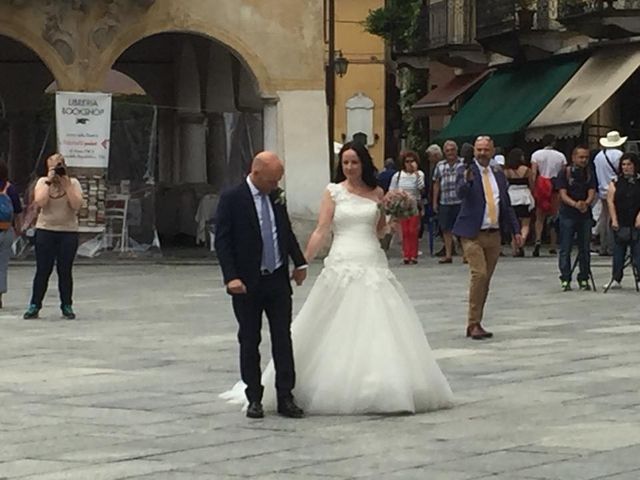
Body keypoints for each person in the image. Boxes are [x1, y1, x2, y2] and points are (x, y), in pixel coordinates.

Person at [221, 142, 454, 414]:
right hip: (337, 259)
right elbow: (321, 230)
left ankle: (297, 392)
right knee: (254, 337)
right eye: (345, 163)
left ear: (364, 163)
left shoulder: (378, 192)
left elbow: (377, 230)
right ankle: (257, 396)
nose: (350, 167)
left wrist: (392, 215)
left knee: (297, 334)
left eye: (354, 162)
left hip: (368, 257)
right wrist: (304, 260)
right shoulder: (332, 192)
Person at [215, 151, 308, 419]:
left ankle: (285, 395)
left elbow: (284, 230)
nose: (276, 185)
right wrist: (230, 277)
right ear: (256, 174)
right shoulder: (233, 198)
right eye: (272, 180)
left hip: (277, 278)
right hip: (247, 281)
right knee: (249, 338)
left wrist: (299, 262)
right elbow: (223, 240)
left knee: (283, 337)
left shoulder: (276, 197)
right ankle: (254, 395)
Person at [452, 136, 521, 340]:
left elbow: (506, 204)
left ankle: (477, 322)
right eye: (479, 149)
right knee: (479, 275)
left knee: (486, 280)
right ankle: (473, 323)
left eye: (486, 150)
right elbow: (460, 193)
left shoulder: (498, 174)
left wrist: (516, 230)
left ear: (492, 151)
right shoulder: (465, 170)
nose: (482, 153)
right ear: (474, 151)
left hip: (494, 233)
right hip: (471, 233)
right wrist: (466, 180)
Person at [23, 154, 83, 320]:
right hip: (46, 230)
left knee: (65, 270)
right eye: (53, 167)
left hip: (68, 231)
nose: (57, 170)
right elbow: (40, 202)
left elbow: (76, 205)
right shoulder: (42, 182)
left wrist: (67, 184)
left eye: (59, 166)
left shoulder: (74, 183)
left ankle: (67, 305)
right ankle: (35, 305)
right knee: (43, 269)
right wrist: (49, 181)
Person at [556, 146, 597, 292]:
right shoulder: (564, 173)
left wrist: (586, 203)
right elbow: (562, 193)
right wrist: (575, 204)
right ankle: (565, 278)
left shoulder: (589, 173)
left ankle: (584, 277)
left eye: (586, 157)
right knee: (566, 248)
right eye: (581, 157)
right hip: (568, 214)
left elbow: (592, 190)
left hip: (585, 214)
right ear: (573, 157)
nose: (584, 160)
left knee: (585, 248)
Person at [605, 152, 640, 290]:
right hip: (620, 220)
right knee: (618, 253)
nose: (626, 167)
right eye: (623, 165)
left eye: (629, 164)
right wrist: (614, 219)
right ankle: (616, 278)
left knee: (638, 253)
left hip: (636, 220)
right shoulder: (615, 182)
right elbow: (610, 201)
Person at [531, 134, 567, 257]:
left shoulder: (536, 155)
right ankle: (553, 245)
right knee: (554, 216)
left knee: (539, 217)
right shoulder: (560, 156)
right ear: (554, 143)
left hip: (542, 186)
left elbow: (534, 172)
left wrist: (533, 188)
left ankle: (538, 240)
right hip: (555, 186)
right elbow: (563, 173)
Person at [389, 150, 425, 264]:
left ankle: (413, 255)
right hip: (402, 205)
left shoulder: (419, 174)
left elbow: (421, 189)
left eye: (412, 161)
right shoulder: (398, 175)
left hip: (414, 204)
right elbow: (392, 190)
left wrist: (416, 173)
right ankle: (406, 254)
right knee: (404, 231)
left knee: (413, 230)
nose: (409, 163)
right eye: (407, 161)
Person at [594, 130, 626, 256]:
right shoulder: (619, 154)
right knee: (614, 217)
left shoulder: (599, 156)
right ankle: (613, 246)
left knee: (604, 216)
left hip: (602, 188)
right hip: (615, 188)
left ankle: (603, 245)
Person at [432, 140, 463, 264]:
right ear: (444, 152)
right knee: (446, 229)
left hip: (460, 200)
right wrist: (435, 201)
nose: (450, 152)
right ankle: (448, 254)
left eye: (452, 150)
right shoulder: (440, 165)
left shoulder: (462, 164)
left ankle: (465, 254)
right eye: (448, 150)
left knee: (462, 228)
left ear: (456, 150)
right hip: (445, 201)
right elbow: (436, 184)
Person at [0, 161, 23, 308]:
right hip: (6, 230)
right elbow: (18, 212)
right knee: (2, 266)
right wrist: (18, 230)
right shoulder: (10, 188)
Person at [504, 148, 535, 257]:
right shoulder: (526, 170)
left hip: (511, 196)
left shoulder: (506, 171)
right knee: (525, 223)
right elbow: (532, 184)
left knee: (514, 224)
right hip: (524, 196)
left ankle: (514, 248)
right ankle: (521, 241)